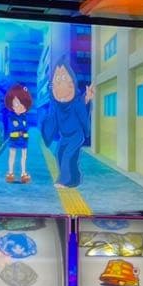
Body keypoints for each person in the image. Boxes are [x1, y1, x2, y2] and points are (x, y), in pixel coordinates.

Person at [40, 57, 94, 188]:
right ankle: (75, 178)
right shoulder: (56, 106)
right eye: (57, 81)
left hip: (76, 135)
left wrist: (87, 98)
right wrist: (45, 121)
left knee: (67, 156)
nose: (61, 85)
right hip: (65, 136)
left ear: (72, 83)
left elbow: (83, 111)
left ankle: (64, 180)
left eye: (65, 79)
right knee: (59, 154)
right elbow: (52, 122)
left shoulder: (76, 102)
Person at [4, 84, 33, 183]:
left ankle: (23, 173)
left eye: (23, 104)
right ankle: (10, 173)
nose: (20, 107)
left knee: (24, 156)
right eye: (17, 103)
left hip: (24, 139)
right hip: (14, 139)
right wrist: (20, 130)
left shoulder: (24, 117)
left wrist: (22, 131)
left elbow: (26, 127)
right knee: (12, 155)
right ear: (11, 104)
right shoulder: (11, 116)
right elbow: (13, 127)